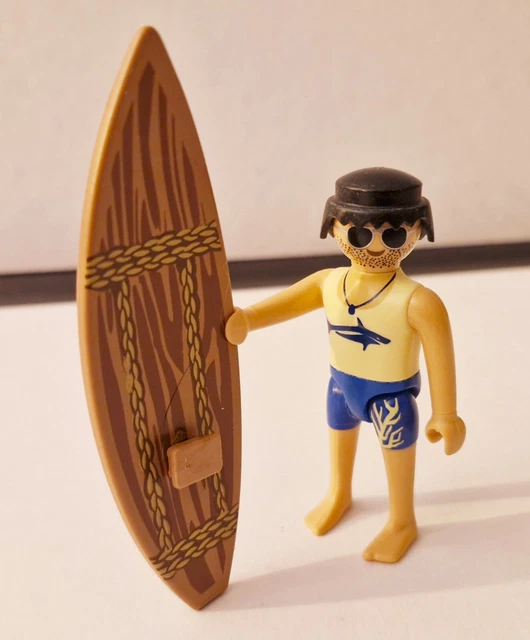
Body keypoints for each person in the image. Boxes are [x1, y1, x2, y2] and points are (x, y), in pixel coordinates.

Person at [225, 167, 466, 563]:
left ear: (419, 230)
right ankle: (339, 493)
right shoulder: (329, 283)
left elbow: (441, 355)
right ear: (334, 227)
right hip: (340, 385)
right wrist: (248, 319)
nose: (375, 247)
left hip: (390, 396)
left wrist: (446, 414)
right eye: (359, 234)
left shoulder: (419, 301)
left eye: (392, 235)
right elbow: (287, 303)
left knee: (395, 450)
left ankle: (402, 521)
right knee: (338, 436)